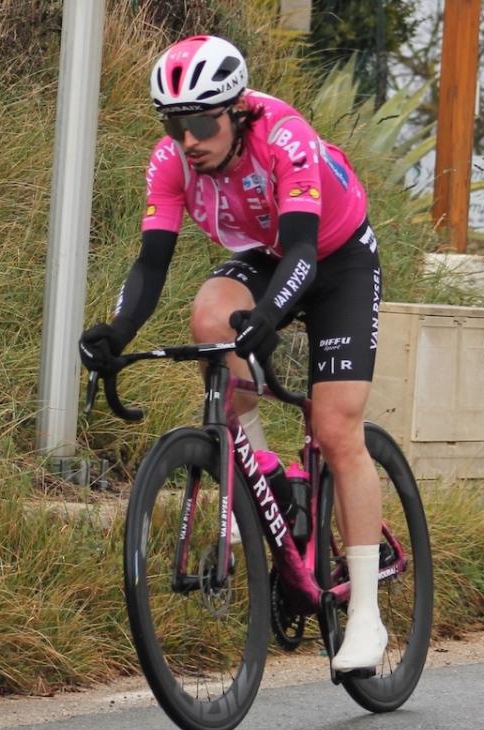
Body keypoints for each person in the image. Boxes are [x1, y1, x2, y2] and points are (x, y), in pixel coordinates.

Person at [78, 35, 388, 671]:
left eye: (201, 123)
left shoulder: (285, 137)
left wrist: (270, 317)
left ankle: (366, 615)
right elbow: (151, 264)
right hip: (265, 254)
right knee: (209, 317)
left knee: (336, 429)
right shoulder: (171, 161)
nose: (188, 140)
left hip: (336, 257)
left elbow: (303, 252)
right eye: (175, 125)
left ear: (238, 111)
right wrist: (117, 332)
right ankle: (264, 469)